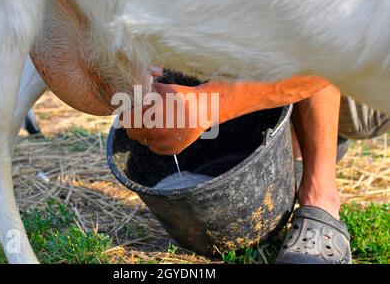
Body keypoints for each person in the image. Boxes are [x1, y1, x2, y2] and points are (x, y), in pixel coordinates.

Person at [122, 73, 389, 264]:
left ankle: (321, 195)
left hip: (371, 80)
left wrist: (206, 107)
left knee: (300, 24)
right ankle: (306, 139)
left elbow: (323, 53)